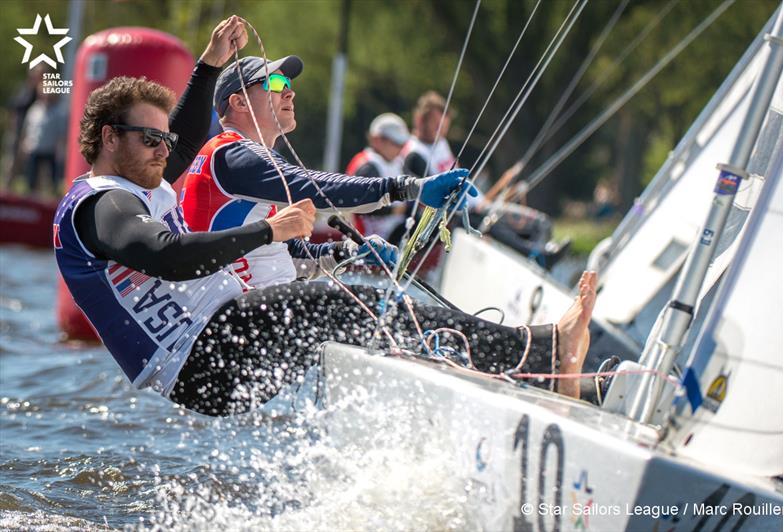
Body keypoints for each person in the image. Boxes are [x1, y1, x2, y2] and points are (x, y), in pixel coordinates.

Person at [55, 35, 598, 418]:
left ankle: (540, 379)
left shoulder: (146, 186)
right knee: (354, 308)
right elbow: (168, 255)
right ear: (108, 138)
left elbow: (185, 134)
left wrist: (208, 64)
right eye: (150, 140)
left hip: (219, 349)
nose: (164, 150)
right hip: (204, 357)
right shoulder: (101, 207)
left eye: (166, 142)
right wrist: (276, 229)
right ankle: (544, 354)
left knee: (374, 324)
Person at [179, 56, 471, 289]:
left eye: (289, 83)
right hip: (234, 314)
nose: (289, 91)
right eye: (276, 82)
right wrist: (409, 187)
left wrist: (348, 251)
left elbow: (285, 252)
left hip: (253, 309)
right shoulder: (232, 152)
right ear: (239, 102)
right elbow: (314, 186)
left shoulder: (237, 156)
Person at [345, 113, 410, 240]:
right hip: (368, 239)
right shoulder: (367, 165)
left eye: (402, 144)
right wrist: (394, 211)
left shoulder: (398, 162)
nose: (400, 149)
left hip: (395, 234)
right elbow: (361, 207)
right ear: (377, 140)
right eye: (396, 143)